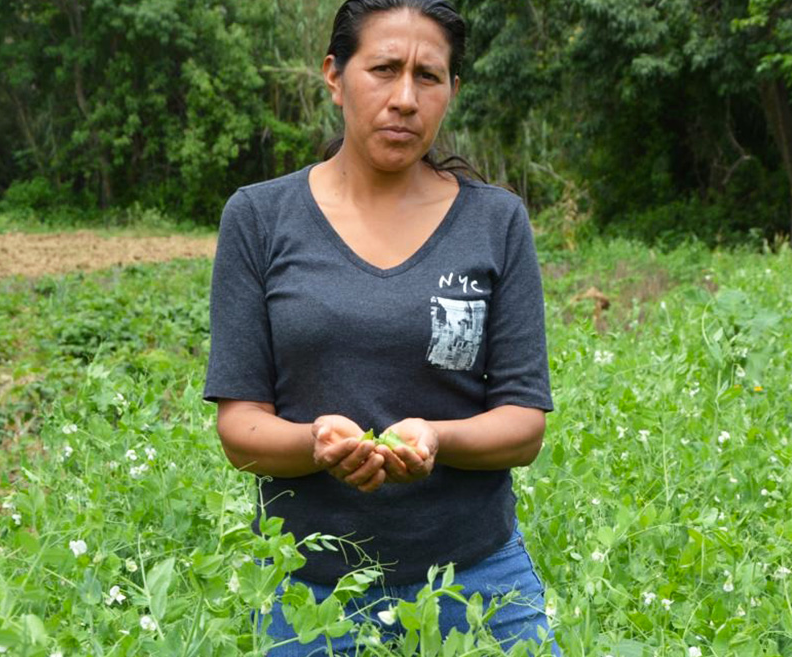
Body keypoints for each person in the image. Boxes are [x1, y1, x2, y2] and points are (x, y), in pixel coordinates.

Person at [202, 1, 559, 654]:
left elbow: (524, 422)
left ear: (452, 89)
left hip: (475, 579)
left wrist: (435, 438)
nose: (404, 98)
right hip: (308, 592)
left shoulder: (497, 222)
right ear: (335, 76)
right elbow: (240, 428)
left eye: (428, 76)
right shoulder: (259, 218)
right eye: (384, 69)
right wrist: (315, 442)